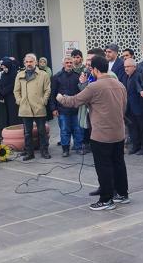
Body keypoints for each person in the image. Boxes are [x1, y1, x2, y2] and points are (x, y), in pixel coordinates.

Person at [57, 55, 129, 211]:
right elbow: (123, 108)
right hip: (118, 132)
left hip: (101, 134)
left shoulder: (94, 87)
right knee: (118, 164)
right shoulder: (120, 85)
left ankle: (106, 200)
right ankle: (122, 194)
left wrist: (61, 98)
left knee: (103, 167)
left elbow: (75, 101)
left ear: (95, 69)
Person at [13, 53, 51, 161]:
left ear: (36, 62)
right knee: (27, 132)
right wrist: (19, 101)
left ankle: (44, 151)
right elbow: (16, 91)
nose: (29, 64)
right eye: (27, 62)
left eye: (31, 61)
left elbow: (47, 90)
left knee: (42, 131)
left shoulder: (43, 74)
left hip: (39, 106)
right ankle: (29, 153)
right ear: (24, 63)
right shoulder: (20, 75)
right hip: (25, 107)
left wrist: (44, 101)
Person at [50, 56, 83, 157]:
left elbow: (81, 91)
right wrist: (53, 108)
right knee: (64, 130)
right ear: (63, 64)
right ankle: (65, 149)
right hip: (62, 109)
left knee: (78, 129)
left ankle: (78, 147)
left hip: (76, 108)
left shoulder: (78, 76)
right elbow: (53, 94)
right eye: (67, 62)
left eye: (70, 62)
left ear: (73, 64)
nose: (69, 64)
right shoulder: (56, 77)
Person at [0, 57, 20, 138]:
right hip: (4, 98)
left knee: (13, 115)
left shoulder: (14, 74)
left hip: (12, 98)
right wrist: (0, 92)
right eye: (3, 68)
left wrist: (3, 92)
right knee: (5, 116)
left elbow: (13, 85)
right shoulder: (3, 74)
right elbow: (1, 84)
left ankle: (15, 133)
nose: (4, 69)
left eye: (6, 67)